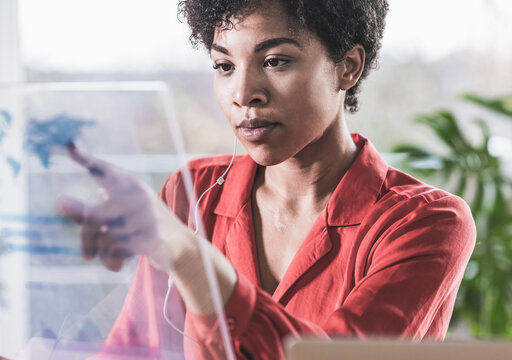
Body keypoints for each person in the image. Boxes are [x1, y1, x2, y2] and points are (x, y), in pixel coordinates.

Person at [59, 0, 476, 359]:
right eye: (224, 65)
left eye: (275, 61)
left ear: (347, 68)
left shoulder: (427, 222)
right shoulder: (192, 194)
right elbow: (136, 349)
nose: (243, 93)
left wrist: (193, 261)